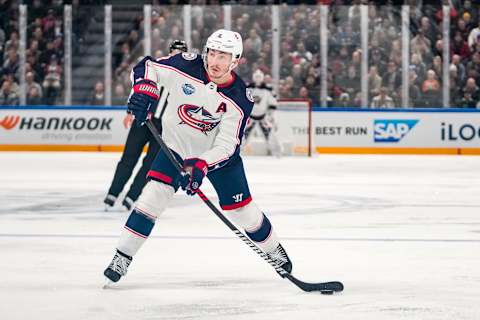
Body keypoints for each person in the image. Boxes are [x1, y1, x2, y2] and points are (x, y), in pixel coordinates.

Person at [103, 29, 292, 284]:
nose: (214, 62)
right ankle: (122, 257)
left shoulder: (239, 98)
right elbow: (147, 66)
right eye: (212, 53)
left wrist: (201, 165)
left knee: (242, 211)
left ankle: (274, 251)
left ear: (235, 60)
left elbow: (227, 145)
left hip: (218, 161)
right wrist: (143, 91)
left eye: (223, 57)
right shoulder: (186, 65)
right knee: (151, 199)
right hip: (175, 149)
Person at [103, 40, 188, 211]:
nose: (177, 54)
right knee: (129, 157)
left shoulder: (188, 78)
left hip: (165, 128)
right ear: (170, 51)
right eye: (175, 51)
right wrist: (130, 110)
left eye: (181, 52)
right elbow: (140, 85)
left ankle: (131, 196)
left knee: (149, 164)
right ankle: (113, 193)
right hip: (144, 119)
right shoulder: (158, 65)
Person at [243, 69, 282, 157]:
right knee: (242, 138)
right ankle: (235, 155)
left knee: (271, 136)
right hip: (250, 118)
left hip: (263, 118)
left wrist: (271, 114)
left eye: (259, 77)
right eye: (256, 77)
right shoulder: (248, 88)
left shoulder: (268, 89)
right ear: (253, 78)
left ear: (262, 78)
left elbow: (273, 102)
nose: (258, 79)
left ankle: (277, 153)